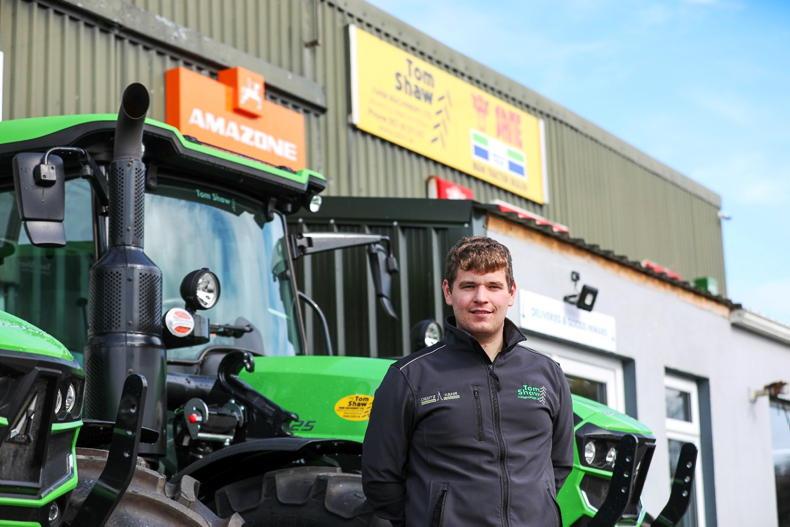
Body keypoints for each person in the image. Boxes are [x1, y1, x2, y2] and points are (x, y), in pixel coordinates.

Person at [362, 236, 573, 527]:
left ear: (511, 293)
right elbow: (380, 479)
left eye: (493, 286)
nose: (481, 298)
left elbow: (560, 464)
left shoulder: (548, 374)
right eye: (469, 286)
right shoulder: (409, 377)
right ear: (448, 291)